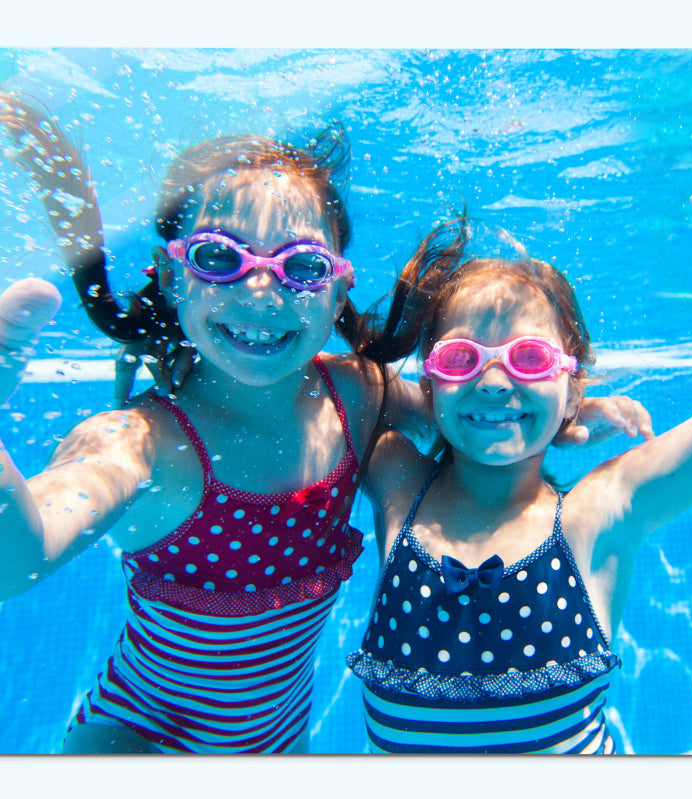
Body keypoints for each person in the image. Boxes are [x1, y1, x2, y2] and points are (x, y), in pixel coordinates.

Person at [0, 94, 650, 754]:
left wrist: (562, 415)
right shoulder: (139, 443)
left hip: (278, 742)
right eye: (219, 258)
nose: (261, 291)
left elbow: (468, 417)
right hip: (139, 740)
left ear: (338, 290)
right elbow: (14, 560)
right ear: (172, 276)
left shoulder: (356, 395)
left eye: (301, 266)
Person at [346, 138, 692, 754]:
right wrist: (560, 411)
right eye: (461, 359)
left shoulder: (599, 512)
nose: (496, 380)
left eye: (530, 359)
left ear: (573, 376)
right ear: (428, 381)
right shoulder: (397, 478)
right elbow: (332, 382)